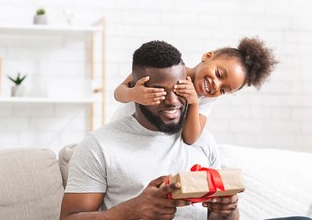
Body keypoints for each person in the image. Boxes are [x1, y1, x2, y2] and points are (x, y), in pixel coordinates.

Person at [58, 40, 312, 220]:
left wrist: (226, 209)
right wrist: (134, 208)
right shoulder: (99, 145)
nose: (174, 101)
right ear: (140, 88)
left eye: (179, 89)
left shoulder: (202, 139)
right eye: (161, 91)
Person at [112, 37, 277, 145]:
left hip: (148, 140)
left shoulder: (206, 99)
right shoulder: (169, 68)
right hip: (123, 128)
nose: (216, 85)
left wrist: (193, 102)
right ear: (207, 56)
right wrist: (134, 94)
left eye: (224, 89)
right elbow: (119, 92)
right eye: (218, 74)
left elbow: (190, 138)